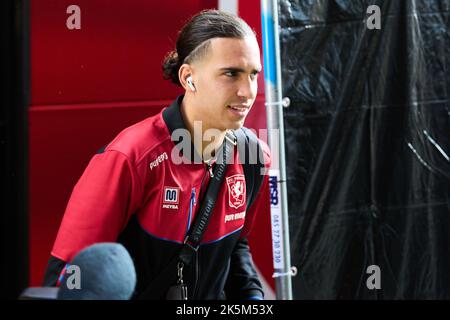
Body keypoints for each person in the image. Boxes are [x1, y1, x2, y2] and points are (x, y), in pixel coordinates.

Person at [43, 9, 271, 300]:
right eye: (231, 74)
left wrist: (252, 299)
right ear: (189, 78)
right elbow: (68, 278)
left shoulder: (254, 156)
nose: (247, 91)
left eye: (253, 74)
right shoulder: (129, 156)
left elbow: (236, 247)